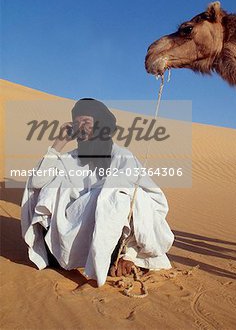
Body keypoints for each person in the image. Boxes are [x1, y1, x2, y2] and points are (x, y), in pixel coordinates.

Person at [21, 98, 174, 286]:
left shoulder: (122, 157)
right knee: (54, 186)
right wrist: (59, 143)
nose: (81, 127)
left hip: (114, 235)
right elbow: (36, 182)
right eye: (77, 123)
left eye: (86, 122)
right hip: (71, 230)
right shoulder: (70, 158)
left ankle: (118, 257)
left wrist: (131, 254)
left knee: (120, 190)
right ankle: (66, 254)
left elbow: (152, 201)